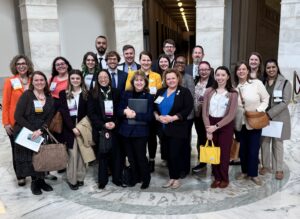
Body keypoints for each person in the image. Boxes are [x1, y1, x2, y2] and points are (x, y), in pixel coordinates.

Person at [14, 71, 55, 195]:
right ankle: (34, 183)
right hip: (26, 131)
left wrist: (41, 130)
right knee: (30, 158)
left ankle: (41, 181)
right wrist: (33, 130)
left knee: (40, 157)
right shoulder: (27, 95)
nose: (39, 82)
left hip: (41, 132)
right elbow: (18, 116)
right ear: (33, 82)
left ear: (45, 82)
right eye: (36, 80)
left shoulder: (49, 98)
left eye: (42, 80)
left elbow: (49, 118)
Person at [154, 69, 193, 189]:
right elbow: (154, 107)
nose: (171, 80)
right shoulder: (161, 91)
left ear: (178, 79)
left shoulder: (184, 92)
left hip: (178, 128)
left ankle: (175, 179)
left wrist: (173, 118)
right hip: (163, 129)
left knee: (175, 154)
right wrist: (157, 117)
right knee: (167, 155)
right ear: (165, 80)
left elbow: (188, 108)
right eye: (168, 78)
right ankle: (171, 177)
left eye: (173, 78)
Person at [125, 51, 162, 172]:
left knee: (151, 137)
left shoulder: (156, 76)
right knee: (138, 138)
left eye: (148, 60)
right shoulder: (132, 74)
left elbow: (159, 93)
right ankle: (139, 161)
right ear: (139, 61)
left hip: (150, 109)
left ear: (151, 62)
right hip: (135, 109)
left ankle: (151, 160)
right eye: (143, 60)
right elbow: (128, 90)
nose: (146, 62)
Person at [234, 61, 269, 186]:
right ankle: (244, 171)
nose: (241, 71)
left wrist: (258, 111)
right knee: (242, 150)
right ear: (236, 72)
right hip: (240, 123)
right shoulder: (235, 88)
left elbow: (266, 99)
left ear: (248, 71)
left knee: (253, 150)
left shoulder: (256, 83)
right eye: (239, 69)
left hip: (254, 121)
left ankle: (253, 174)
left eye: (244, 69)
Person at [202, 66, 238, 188]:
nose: (220, 77)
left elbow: (231, 114)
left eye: (223, 75)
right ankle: (217, 177)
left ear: (228, 77)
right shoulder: (209, 91)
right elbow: (204, 112)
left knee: (224, 153)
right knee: (213, 153)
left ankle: (224, 178)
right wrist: (208, 128)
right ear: (215, 76)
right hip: (210, 124)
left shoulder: (233, 93)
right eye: (218, 75)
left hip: (225, 126)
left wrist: (216, 127)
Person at [118, 70, 153, 189]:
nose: (139, 82)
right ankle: (135, 177)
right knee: (131, 157)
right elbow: (118, 111)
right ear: (133, 82)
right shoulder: (125, 94)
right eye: (136, 80)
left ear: (145, 82)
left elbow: (149, 116)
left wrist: (135, 115)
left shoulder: (149, 96)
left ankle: (145, 178)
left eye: (141, 80)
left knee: (141, 157)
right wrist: (124, 111)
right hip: (126, 132)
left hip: (140, 132)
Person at [2, 55, 34, 186]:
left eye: (24, 63)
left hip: (32, 121)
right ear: (15, 66)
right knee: (17, 149)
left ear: (28, 65)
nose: (21, 66)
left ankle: (34, 172)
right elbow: (6, 103)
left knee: (33, 148)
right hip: (15, 122)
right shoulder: (10, 81)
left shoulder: (33, 80)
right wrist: (6, 123)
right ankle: (20, 175)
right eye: (19, 64)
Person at [87, 70, 122, 189]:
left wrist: (114, 123)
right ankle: (102, 180)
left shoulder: (116, 92)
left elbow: (119, 111)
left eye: (105, 77)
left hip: (115, 127)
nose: (103, 79)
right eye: (100, 77)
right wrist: (103, 125)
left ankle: (117, 178)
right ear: (97, 79)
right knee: (102, 154)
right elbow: (91, 114)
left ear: (109, 78)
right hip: (100, 129)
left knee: (116, 154)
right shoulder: (92, 94)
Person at [260, 59, 292, 180]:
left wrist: (270, 114)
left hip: (278, 118)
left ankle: (278, 169)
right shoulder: (263, 82)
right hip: (264, 118)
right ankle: (266, 166)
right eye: (268, 68)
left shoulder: (285, 83)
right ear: (266, 69)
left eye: (273, 67)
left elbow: (285, 102)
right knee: (264, 142)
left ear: (277, 68)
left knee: (278, 144)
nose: (271, 70)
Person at [59, 70, 89, 190]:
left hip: (83, 125)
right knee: (72, 153)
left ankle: (80, 177)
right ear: (69, 80)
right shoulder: (64, 93)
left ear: (81, 80)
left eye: (78, 78)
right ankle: (72, 179)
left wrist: (81, 127)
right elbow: (64, 112)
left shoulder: (86, 93)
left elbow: (88, 111)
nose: (75, 80)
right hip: (69, 126)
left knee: (82, 153)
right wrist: (72, 128)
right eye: (73, 78)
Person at [192, 61, 215, 173]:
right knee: (201, 138)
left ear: (210, 70)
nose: (204, 71)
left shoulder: (213, 83)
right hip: (196, 116)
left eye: (206, 69)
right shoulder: (195, 81)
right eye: (201, 69)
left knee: (211, 139)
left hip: (208, 116)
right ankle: (203, 162)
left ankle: (214, 163)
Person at [174, 55, 195, 177]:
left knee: (185, 143)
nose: (180, 64)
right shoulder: (171, 76)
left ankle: (184, 168)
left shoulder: (189, 78)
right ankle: (176, 166)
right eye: (178, 62)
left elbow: (191, 98)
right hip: (173, 117)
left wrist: (181, 113)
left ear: (185, 64)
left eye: (182, 62)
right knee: (176, 143)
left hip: (186, 117)